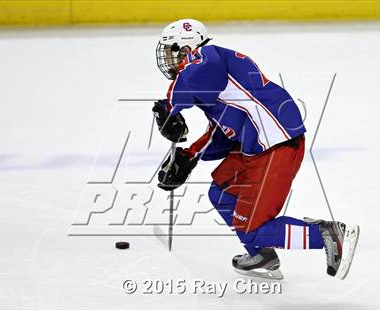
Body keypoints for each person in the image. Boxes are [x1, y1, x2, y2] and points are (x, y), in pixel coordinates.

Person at [153, 19, 359, 280]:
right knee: (222, 194)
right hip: (256, 145)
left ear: (186, 49)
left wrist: (170, 107)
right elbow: (221, 131)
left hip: (277, 144)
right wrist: (188, 156)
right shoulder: (213, 83)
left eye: (172, 52)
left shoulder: (207, 58)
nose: (168, 60)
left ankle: (327, 235)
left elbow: (196, 74)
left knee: (253, 227)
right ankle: (262, 254)